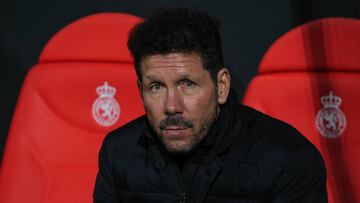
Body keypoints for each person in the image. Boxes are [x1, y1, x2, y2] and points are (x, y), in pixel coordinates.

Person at [93, 7, 327, 203]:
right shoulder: (118, 153)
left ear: (221, 86)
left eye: (187, 84)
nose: (172, 106)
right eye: (156, 87)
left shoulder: (289, 159)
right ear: (141, 91)